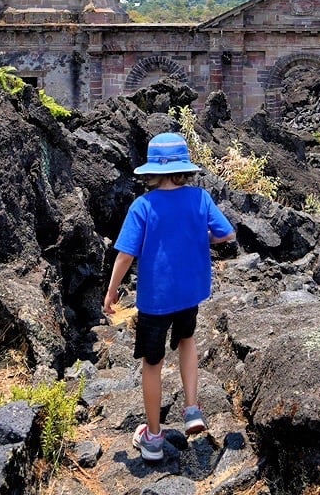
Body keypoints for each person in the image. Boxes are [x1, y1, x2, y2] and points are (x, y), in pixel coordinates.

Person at [104, 132, 236, 463]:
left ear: (151, 170)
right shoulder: (200, 198)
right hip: (189, 291)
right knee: (187, 341)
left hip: (155, 298)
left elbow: (125, 254)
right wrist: (201, 236)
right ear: (184, 167)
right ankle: (192, 409)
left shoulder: (143, 206)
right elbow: (227, 234)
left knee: (153, 363)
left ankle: (152, 438)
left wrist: (111, 291)